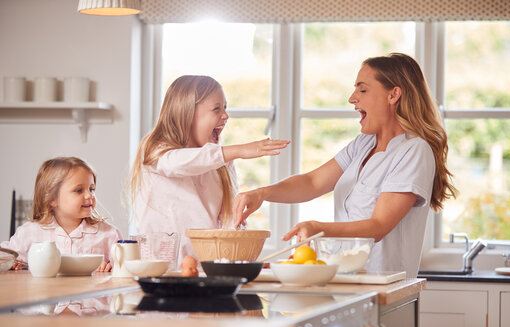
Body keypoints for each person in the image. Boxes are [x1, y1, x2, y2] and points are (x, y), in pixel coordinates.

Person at [233, 53, 457, 277]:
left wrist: (319, 229)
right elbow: (312, 182)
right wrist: (261, 194)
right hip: (347, 282)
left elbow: (378, 226)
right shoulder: (363, 144)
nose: (352, 98)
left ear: (394, 94)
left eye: (362, 90)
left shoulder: (413, 151)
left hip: (383, 290)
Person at [129, 75, 289, 264]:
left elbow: (227, 222)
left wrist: (242, 259)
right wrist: (239, 150)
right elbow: (178, 164)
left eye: (225, 108)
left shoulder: (220, 164)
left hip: (206, 271)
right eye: (216, 108)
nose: (226, 115)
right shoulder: (155, 149)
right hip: (161, 269)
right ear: (187, 113)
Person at [2, 157, 122, 271]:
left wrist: (110, 268)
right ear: (52, 199)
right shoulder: (29, 233)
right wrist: (11, 263)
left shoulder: (108, 234)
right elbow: (4, 256)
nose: (90, 195)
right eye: (79, 190)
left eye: (91, 189)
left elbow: (124, 269)